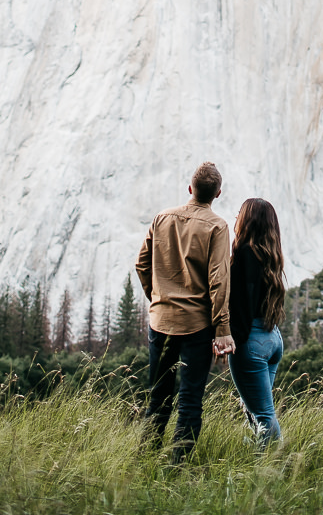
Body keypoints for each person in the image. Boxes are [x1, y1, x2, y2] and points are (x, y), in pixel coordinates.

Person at [135, 161, 235, 460]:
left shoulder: (161, 218)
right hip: (197, 325)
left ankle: (146, 459)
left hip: (160, 321)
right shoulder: (217, 227)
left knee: (157, 396)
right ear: (218, 194)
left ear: (190, 189)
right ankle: (177, 466)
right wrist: (223, 329)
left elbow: (142, 264)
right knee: (190, 399)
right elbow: (219, 280)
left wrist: (156, 298)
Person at [227, 197, 286, 446]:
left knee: (263, 415)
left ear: (247, 220)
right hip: (272, 338)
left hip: (251, 342)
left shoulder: (244, 254)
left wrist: (232, 341)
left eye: (240, 213)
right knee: (255, 410)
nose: (236, 217)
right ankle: (258, 465)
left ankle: (276, 467)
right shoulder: (270, 255)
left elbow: (243, 304)